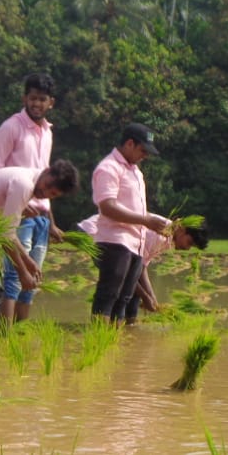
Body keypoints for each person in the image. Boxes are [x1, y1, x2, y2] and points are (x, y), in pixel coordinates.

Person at [0, 160, 80, 332]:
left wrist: (29, 263)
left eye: (51, 195)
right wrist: (23, 271)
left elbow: (7, 232)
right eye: (46, 186)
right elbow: (7, 235)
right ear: (46, 172)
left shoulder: (29, 183)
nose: (43, 192)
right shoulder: (23, 184)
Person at [0, 73, 61, 323]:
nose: (36, 104)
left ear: (51, 102)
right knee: (13, 277)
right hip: (17, 212)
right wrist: (21, 204)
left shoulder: (47, 132)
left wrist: (52, 221)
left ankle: (19, 336)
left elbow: (47, 176)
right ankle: (4, 336)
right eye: (32, 98)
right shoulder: (11, 127)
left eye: (42, 99)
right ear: (24, 98)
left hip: (41, 215)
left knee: (33, 279)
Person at [89, 123, 171, 323]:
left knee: (123, 300)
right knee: (108, 296)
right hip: (115, 241)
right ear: (129, 144)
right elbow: (107, 206)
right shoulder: (109, 168)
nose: (146, 156)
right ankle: (98, 345)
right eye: (143, 150)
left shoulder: (135, 171)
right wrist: (145, 220)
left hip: (135, 244)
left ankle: (117, 347)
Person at [79, 215, 210, 323]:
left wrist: (152, 298)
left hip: (111, 237)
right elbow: (128, 275)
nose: (187, 248)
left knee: (132, 292)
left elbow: (140, 268)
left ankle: (127, 326)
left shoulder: (167, 237)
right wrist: (146, 297)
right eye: (189, 243)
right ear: (181, 229)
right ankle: (106, 330)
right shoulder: (159, 234)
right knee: (117, 286)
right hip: (97, 234)